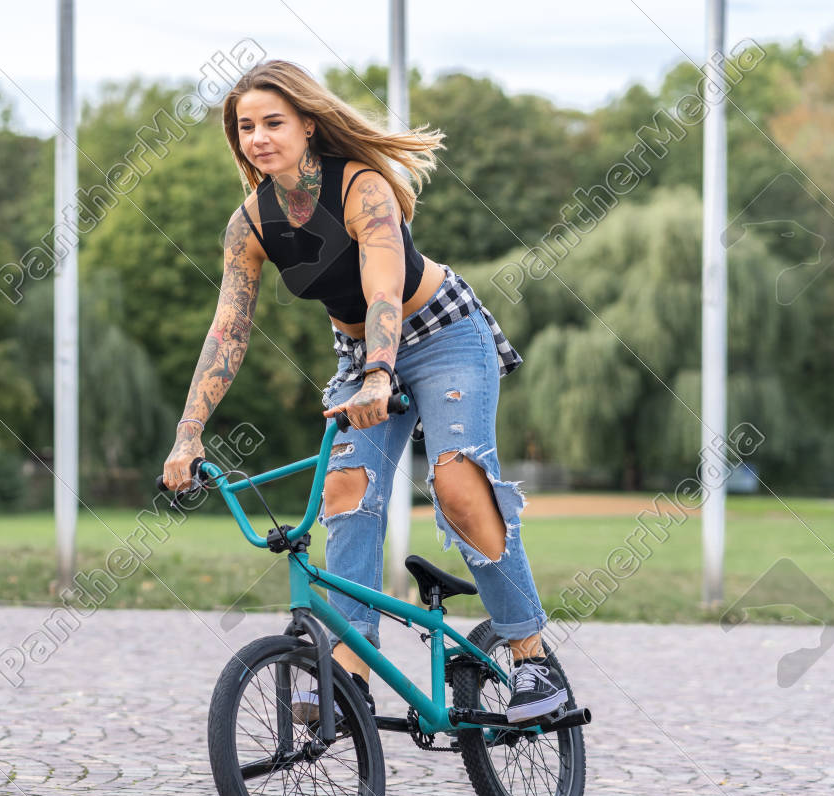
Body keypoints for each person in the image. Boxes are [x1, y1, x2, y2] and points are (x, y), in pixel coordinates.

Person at [160, 60, 564, 723]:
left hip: (440, 332)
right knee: (345, 491)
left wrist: (383, 371)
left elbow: (383, 285)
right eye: (245, 127)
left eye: (273, 122)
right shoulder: (251, 224)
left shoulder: (363, 187)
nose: (258, 137)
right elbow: (229, 329)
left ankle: (532, 659)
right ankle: (350, 667)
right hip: (358, 353)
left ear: (309, 125)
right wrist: (188, 431)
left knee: (459, 481)